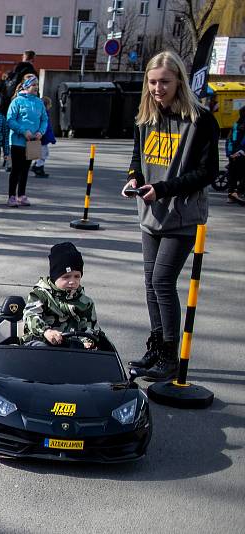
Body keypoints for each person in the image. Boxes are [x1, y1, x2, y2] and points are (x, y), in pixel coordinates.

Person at [122, 50, 219, 381]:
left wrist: (163, 189)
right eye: (152, 82)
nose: (157, 89)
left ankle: (170, 354)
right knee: (150, 284)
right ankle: (157, 348)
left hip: (183, 215)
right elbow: (138, 156)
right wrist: (134, 177)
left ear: (180, 80)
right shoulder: (146, 116)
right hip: (150, 215)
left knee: (163, 281)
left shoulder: (201, 120)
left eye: (164, 82)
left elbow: (208, 172)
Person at [22, 242, 100, 348]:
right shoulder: (40, 295)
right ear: (55, 277)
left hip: (72, 343)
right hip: (41, 339)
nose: (72, 281)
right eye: (66, 277)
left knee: (85, 351)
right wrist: (46, 331)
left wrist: (87, 340)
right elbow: (30, 316)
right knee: (41, 349)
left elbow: (91, 327)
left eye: (76, 276)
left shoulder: (85, 302)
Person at [6, 75, 47, 207]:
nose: (36, 87)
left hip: (34, 141)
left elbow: (44, 120)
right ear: (26, 86)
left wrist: (41, 132)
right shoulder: (17, 101)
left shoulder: (39, 102)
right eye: (34, 84)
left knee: (25, 169)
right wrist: (23, 131)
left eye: (37, 85)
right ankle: (11, 196)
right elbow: (10, 120)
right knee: (16, 169)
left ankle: (21, 195)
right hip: (18, 141)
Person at [0, 50, 36, 117]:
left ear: (23, 57)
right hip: (23, 103)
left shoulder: (13, 71)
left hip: (7, 101)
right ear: (33, 59)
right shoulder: (31, 72)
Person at [32, 95, 56, 178]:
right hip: (43, 138)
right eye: (50, 104)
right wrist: (51, 138)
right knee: (43, 154)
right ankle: (38, 167)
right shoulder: (44, 115)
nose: (51, 106)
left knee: (41, 153)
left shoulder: (38, 114)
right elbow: (47, 128)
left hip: (40, 138)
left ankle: (37, 165)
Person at [226, 107, 245, 205]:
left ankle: (230, 195)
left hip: (233, 155)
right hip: (241, 155)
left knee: (232, 173)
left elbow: (229, 140)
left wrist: (230, 154)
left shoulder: (235, 125)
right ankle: (238, 193)